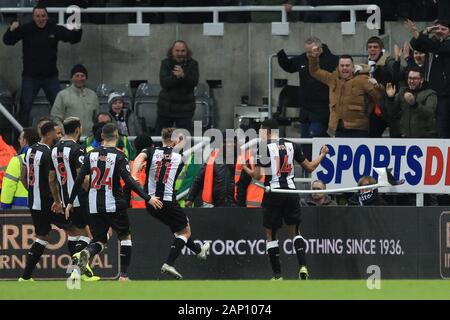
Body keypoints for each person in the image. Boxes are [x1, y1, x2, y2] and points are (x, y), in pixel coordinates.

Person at [243, 119, 329, 280]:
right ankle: (303, 266)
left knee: (271, 235)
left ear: (268, 132)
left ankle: (277, 275)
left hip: (273, 193)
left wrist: (245, 167)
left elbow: (257, 175)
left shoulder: (263, 148)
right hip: (290, 192)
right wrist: (323, 155)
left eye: (262, 131)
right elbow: (309, 167)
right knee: (295, 232)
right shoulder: (292, 145)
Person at [66, 123, 154, 281]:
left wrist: (70, 202)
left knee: (99, 240)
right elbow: (129, 180)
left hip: (93, 205)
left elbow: (78, 179)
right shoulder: (119, 156)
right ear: (117, 137)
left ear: (101, 137)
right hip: (114, 203)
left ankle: (82, 260)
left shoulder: (90, 154)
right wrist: (148, 197)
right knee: (125, 237)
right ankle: (124, 276)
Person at [131, 127, 210, 279]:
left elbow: (140, 158)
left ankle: (198, 250)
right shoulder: (179, 157)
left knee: (178, 230)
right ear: (176, 140)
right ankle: (169, 263)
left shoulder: (151, 151)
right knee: (185, 230)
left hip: (151, 203)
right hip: (167, 201)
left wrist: (134, 175)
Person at [18, 122, 83, 281]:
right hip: (49, 202)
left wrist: (33, 192)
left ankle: (25, 278)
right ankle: (76, 272)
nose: (59, 136)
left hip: (33, 202)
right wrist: (57, 201)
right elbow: (51, 179)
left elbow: (23, 177)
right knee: (75, 231)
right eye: (57, 133)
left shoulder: (29, 151)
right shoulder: (49, 153)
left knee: (42, 237)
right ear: (48, 134)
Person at [2, 5, 82, 126]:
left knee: (59, 109)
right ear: (33, 17)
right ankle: (22, 139)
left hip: (51, 77)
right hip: (30, 77)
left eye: (43, 16)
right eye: (38, 16)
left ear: (47, 16)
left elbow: (73, 38)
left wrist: (77, 29)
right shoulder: (26, 29)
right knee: (24, 109)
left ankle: (62, 137)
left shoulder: (54, 28)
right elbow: (8, 41)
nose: (41, 19)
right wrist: (11, 30)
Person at [50, 117, 99, 281]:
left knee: (74, 235)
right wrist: (93, 193)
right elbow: (82, 177)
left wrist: (57, 200)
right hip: (79, 198)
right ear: (78, 129)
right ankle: (76, 272)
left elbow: (51, 179)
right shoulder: (77, 149)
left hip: (65, 200)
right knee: (89, 235)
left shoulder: (55, 149)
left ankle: (76, 273)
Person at [277, 37, 338, 159]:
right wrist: (280, 54)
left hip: (322, 109)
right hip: (305, 110)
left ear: (320, 49)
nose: (309, 54)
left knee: (317, 138)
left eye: (312, 51)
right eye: (307, 52)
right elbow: (289, 66)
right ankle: (307, 170)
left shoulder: (332, 60)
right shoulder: (303, 58)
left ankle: (319, 167)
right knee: (305, 142)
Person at [308, 47, 386, 137]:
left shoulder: (363, 80)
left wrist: (377, 85)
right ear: (338, 67)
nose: (344, 68)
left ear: (353, 67)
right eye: (342, 65)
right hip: (336, 129)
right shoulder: (332, 79)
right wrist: (313, 58)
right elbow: (315, 71)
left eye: (347, 65)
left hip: (358, 130)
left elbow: (380, 97)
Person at [406, 19, 450, 138]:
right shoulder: (433, 43)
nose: (439, 31)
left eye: (443, 29)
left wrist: (419, 34)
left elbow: (438, 47)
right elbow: (415, 45)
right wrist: (426, 31)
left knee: (442, 125)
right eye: (437, 29)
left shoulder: (444, 44)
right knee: (431, 123)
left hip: (444, 94)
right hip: (430, 91)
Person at [156, 40, 199, 133]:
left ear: (187, 52)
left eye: (183, 51)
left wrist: (183, 76)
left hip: (185, 109)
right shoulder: (165, 63)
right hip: (166, 108)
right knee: (161, 139)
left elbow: (194, 82)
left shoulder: (193, 64)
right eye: (177, 51)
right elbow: (164, 82)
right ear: (172, 51)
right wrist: (177, 76)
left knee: (184, 140)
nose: (180, 53)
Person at [185, 134, 237, 208]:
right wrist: (190, 198)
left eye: (232, 142)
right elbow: (199, 179)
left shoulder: (242, 159)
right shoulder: (212, 159)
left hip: (238, 204)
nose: (229, 144)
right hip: (217, 204)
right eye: (225, 142)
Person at [386, 67, 437, 138]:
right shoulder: (402, 92)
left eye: (415, 78)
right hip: (404, 137)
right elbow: (391, 113)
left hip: (424, 137)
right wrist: (390, 98)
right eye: (410, 78)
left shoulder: (430, 94)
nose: (411, 81)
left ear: (421, 80)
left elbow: (429, 113)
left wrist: (415, 104)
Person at [51, 64, 99, 136]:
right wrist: (65, 133)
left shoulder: (93, 95)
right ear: (72, 78)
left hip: (89, 138)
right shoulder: (62, 95)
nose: (80, 79)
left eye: (82, 76)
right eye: (77, 76)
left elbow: (97, 118)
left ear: (86, 77)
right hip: (71, 137)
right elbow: (55, 117)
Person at [363, 36, 396, 137]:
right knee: (372, 136)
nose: (372, 49)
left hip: (389, 105)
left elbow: (396, 72)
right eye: (370, 47)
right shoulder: (366, 64)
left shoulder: (389, 62)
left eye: (375, 47)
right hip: (374, 107)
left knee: (395, 137)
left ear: (381, 49)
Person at [0, 128, 39, 209]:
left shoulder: (18, 160)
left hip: (20, 205)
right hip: (42, 203)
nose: (19, 141)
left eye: (20, 138)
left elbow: (9, 185)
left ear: (24, 141)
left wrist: (4, 205)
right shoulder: (45, 156)